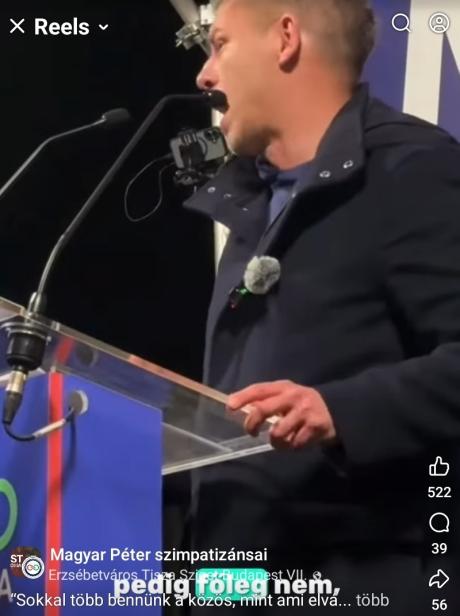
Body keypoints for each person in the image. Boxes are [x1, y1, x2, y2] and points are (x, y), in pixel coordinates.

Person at [182, 0, 460, 613]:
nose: (205, 75)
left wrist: (339, 409)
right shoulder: (250, 199)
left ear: (286, 38)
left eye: (220, 44)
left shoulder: (413, 170)